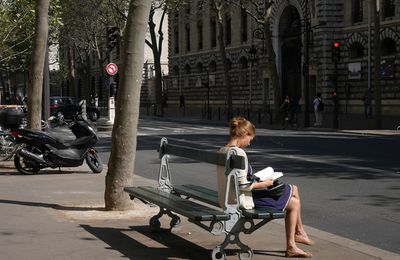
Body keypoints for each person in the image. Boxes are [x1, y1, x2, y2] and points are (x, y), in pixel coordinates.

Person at [217, 117, 314, 258]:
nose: (249, 143)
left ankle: (296, 239)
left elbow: (237, 181)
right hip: (242, 200)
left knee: (293, 194)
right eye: (250, 139)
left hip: (230, 197)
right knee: (293, 195)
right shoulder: (239, 153)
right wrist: (265, 184)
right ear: (244, 135)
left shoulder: (223, 150)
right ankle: (296, 239)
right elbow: (244, 185)